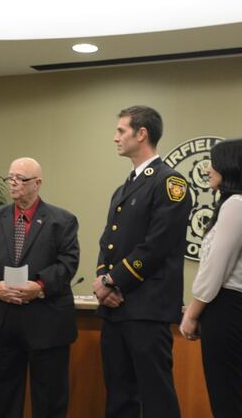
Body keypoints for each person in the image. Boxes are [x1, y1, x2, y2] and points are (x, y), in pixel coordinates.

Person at [93, 105, 191, 418]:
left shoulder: (169, 182)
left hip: (148, 308)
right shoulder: (125, 187)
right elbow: (107, 243)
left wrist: (112, 281)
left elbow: (156, 246)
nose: (115, 138)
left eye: (121, 131)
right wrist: (102, 281)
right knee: (119, 394)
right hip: (116, 310)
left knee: (157, 396)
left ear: (142, 133)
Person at [0, 157, 80, 418]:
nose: (14, 183)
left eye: (21, 178)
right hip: (0, 324)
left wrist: (39, 286)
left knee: (50, 402)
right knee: (3, 402)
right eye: (10, 178)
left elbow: (68, 263)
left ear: (37, 184)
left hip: (46, 324)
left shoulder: (61, 221)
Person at [179, 139, 242, 418]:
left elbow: (216, 267)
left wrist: (192, 313)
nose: (208, 169)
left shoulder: (238, 205)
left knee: (224, 400)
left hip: (226, 308)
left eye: (214, 162)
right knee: (226, 396)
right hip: (235, 307)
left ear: (231, 166)